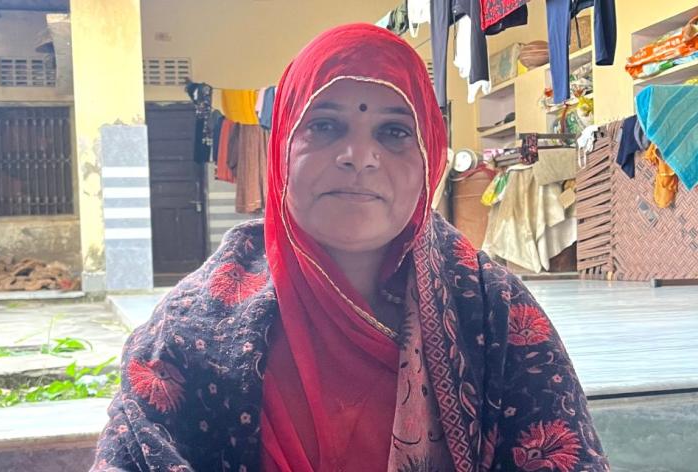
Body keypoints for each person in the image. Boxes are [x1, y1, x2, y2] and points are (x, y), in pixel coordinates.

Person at [91, 23, 608, 472]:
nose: (359, 156)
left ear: (430, 154)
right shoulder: (192, 328)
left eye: (393, 132)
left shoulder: (491, 313)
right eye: (325, 125)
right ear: (282, 147)